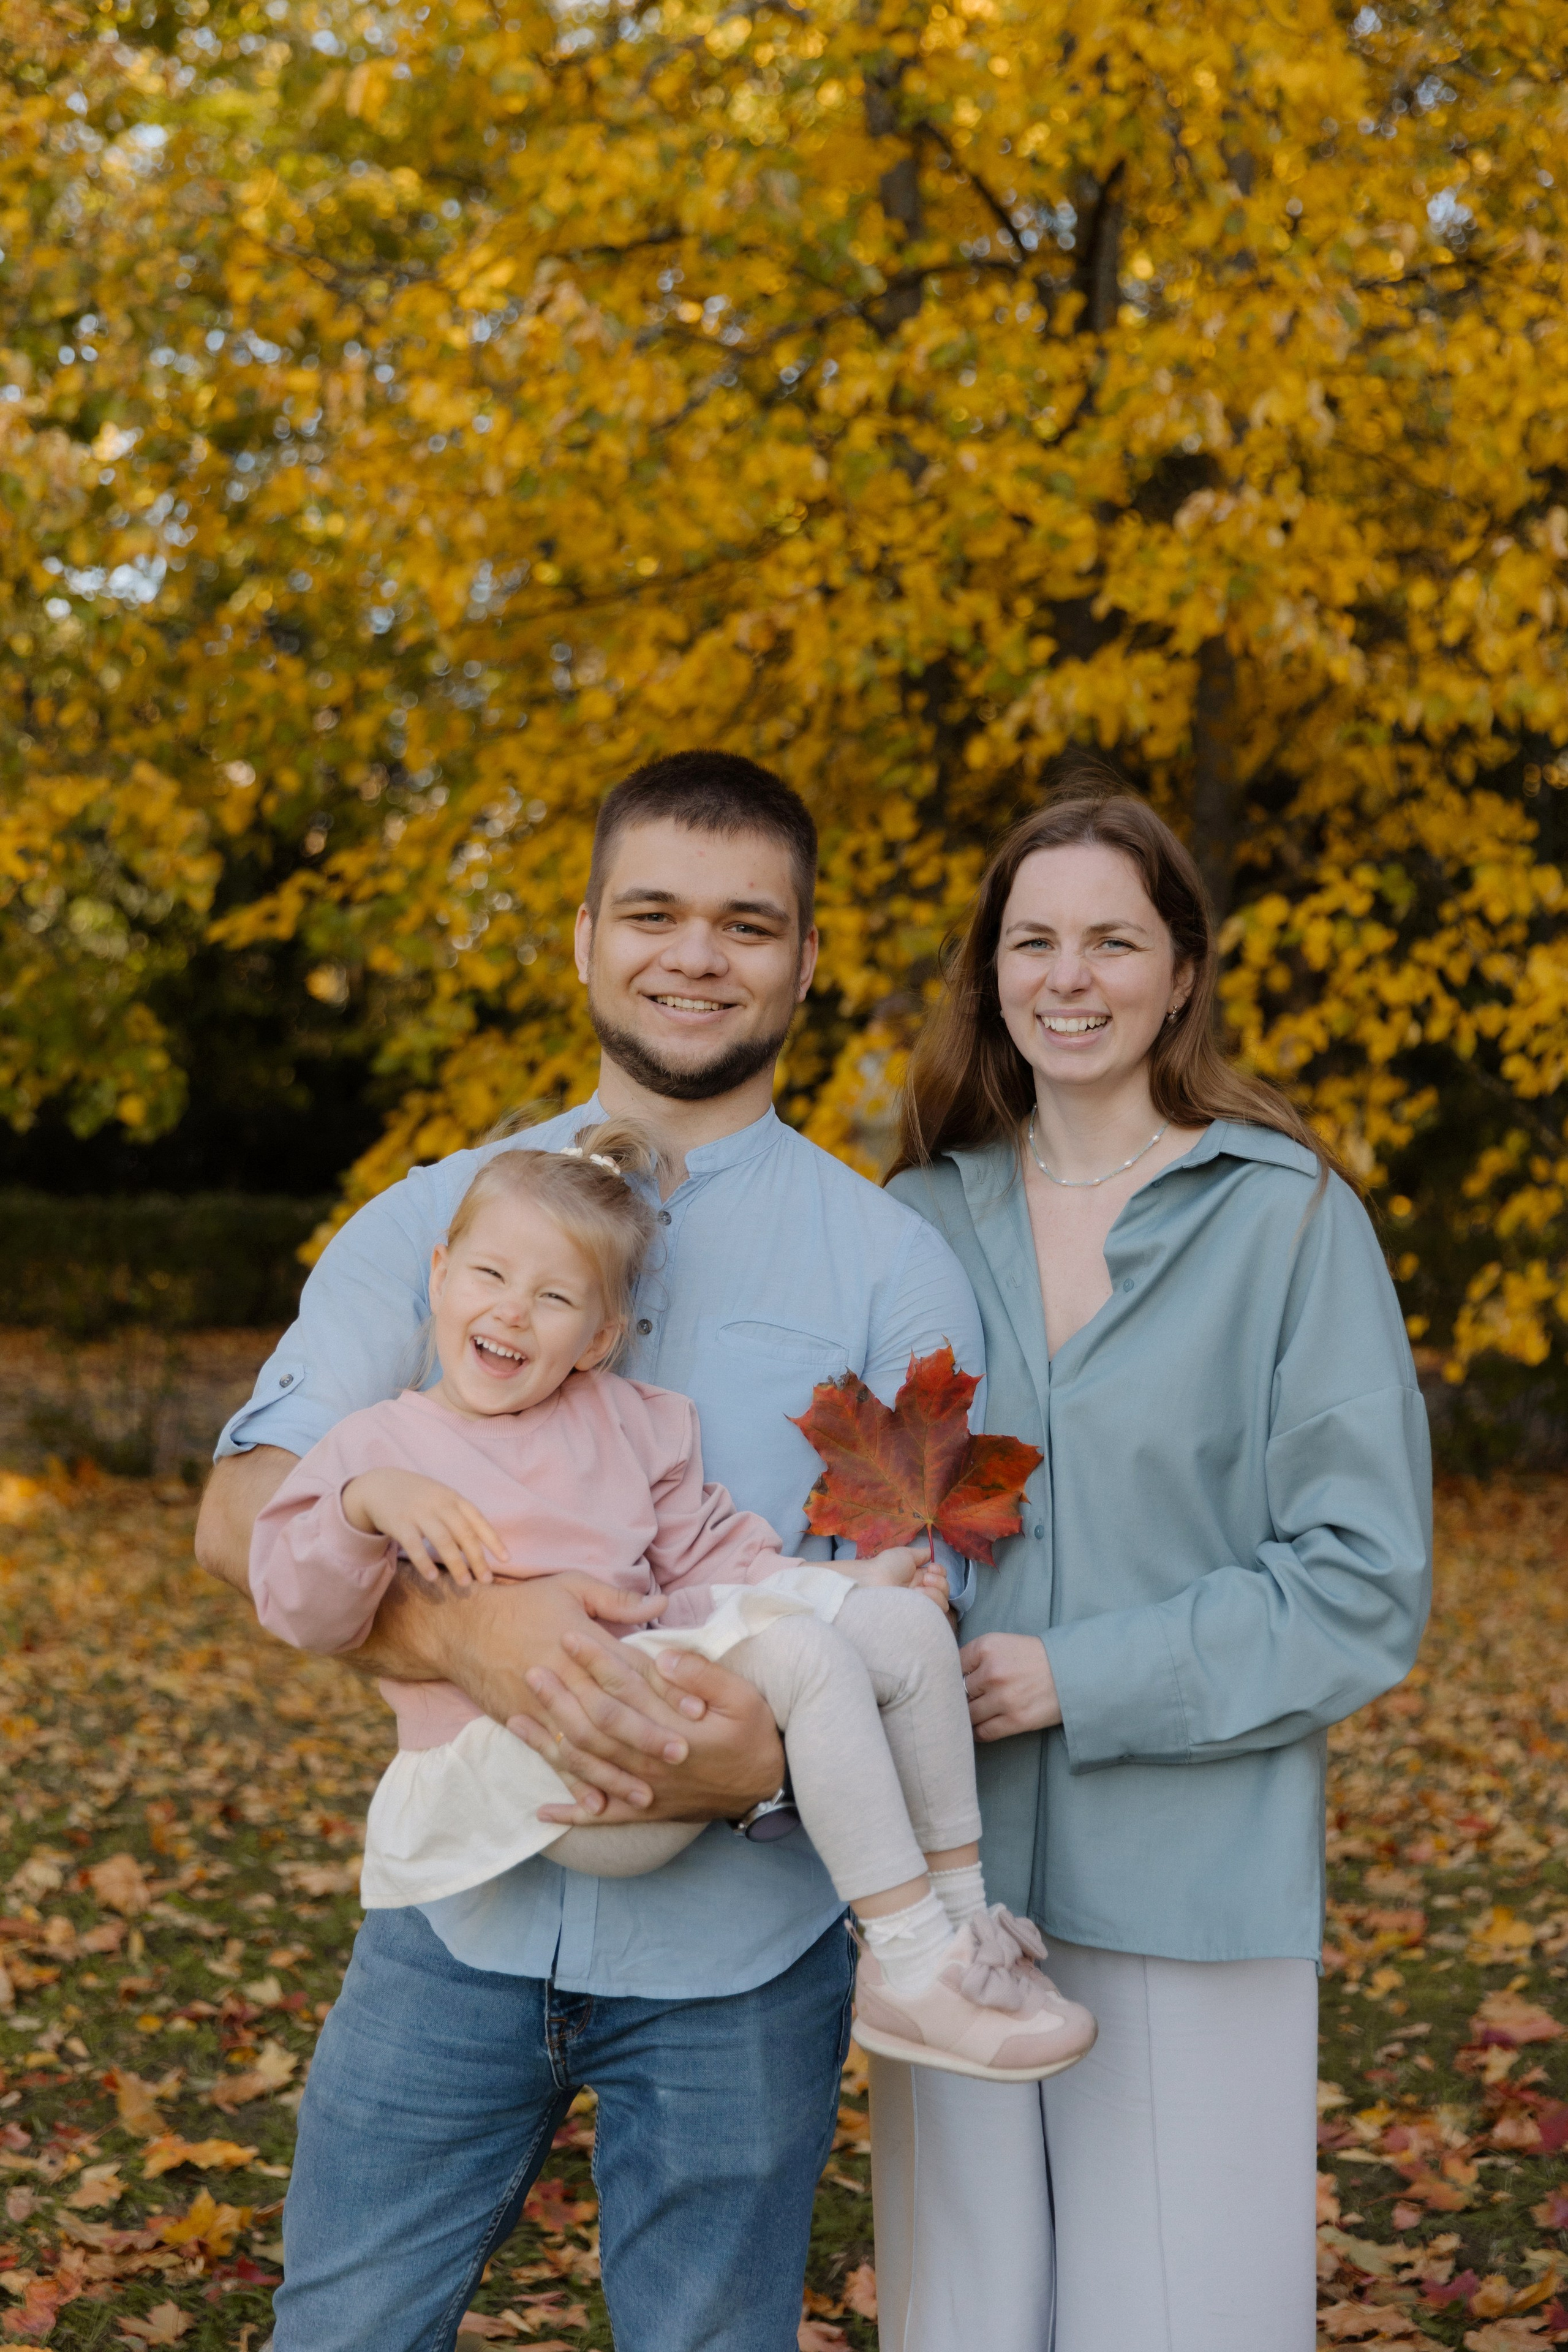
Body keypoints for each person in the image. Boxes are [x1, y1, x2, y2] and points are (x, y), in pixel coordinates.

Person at [194, 750, 987, 2352]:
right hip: (452, 1928)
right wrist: (467, 1639)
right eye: (654, 912)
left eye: (747, 923)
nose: (697, 954)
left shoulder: (899, 1269)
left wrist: (756, 1766)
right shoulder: (434, 1220)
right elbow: (242, 1510)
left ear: (807, 960)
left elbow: (922, 1592)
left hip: (742, 1962)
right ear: (582, 940)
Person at [872, 764, 1433, 2352]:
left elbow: (1362, 1582)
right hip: (945, 1882)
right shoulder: (918, 1218)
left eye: (1113, 942)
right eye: (1033, 942)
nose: (1070, 980)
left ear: (1183, 969)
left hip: (1195, 1875)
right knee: (959, 2318)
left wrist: (1079, 1675)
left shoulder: (1289, 1219)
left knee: (1180, 2319)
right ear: (991, 968)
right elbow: (846, 1517)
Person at [249, 1122, 1096, 2109]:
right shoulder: (380, 1445)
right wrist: (365, 1506)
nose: (513, 1313)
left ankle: (951, 1942)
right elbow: (299, 1605)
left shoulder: (630, 1421)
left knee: (905, 1631)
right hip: (536, 1770)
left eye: (555, 1297)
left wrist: (852, 1586)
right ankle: (902, 1953)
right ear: (439, 1274)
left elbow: (706, 1571)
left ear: (600, 1337)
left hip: (655, 1703)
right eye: (488, 1275)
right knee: (805, 1656)